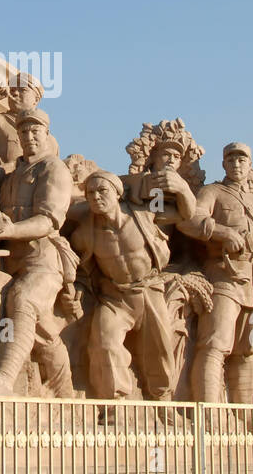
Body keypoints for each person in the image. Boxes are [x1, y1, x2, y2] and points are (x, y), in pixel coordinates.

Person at [0, 109, 82, 396]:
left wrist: (10, 230)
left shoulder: (53, 169)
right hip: (10, 259)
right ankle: (64, 391)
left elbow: (48, 220)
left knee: (23, 299)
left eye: (36, 132)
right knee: (41, 330)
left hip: (43, 258)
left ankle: (3, 379)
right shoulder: (12, 173)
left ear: (46, 135)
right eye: (24, 132)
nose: (29, 137)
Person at [71, 169, 177, 401]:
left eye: (102, 191)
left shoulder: (144, 215)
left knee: (160, 350)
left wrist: (182, 188)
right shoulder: (85, 233)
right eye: (90, 193)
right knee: (104, 341)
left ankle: (162, 399)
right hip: (116, 297)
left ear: (117, 193)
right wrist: (77, 287)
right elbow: (79, 267)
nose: (96, 197)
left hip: (149, 291)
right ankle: (114, 401)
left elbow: (184, 215)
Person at [178, 142, 253, 403]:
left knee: (247, 351)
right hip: (225, 275)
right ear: (223, 164)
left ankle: (244, 415)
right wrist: (223, 232)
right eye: (231, 160)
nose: (236, 164)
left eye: (242, 160)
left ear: (250, 165)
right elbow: (190, 219)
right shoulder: (213, 192)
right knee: (214, 344)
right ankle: (209, 411)